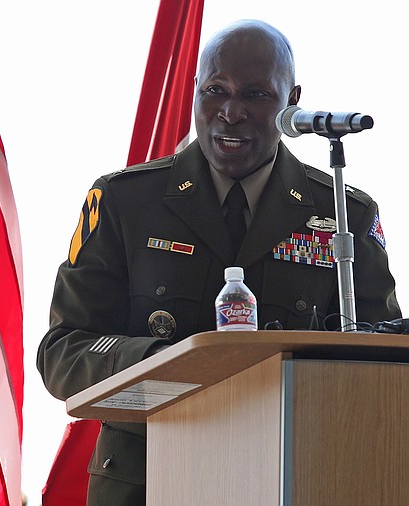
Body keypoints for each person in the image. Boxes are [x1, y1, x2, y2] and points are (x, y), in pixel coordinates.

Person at [37, 19, 402, 505]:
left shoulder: (342, 212)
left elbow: (387, 361)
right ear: (193, 90)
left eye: (255, 94)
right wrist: (164, 364)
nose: (231, 112)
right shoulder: (126, 201)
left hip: (297, 474)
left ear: (291, 100)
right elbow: (63, 351)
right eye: (215, 90)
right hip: (148, 478)